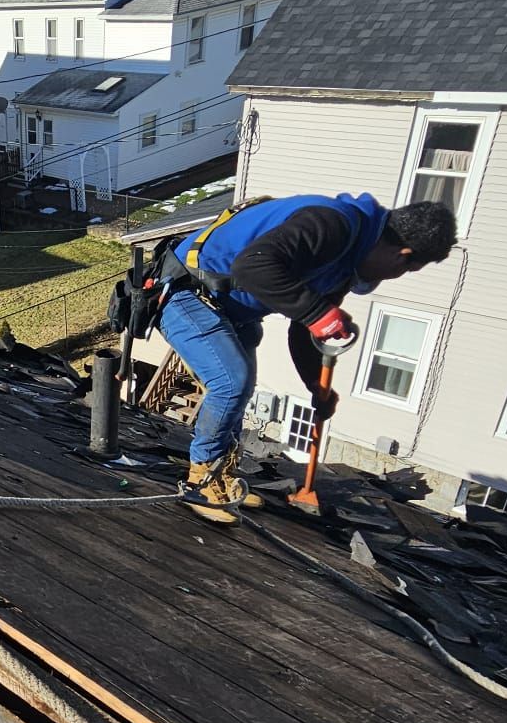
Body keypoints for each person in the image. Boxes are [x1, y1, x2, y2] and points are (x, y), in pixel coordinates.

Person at [158, 193, 457, 517]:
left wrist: (316, 385)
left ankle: (221, 472)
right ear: (402, 257)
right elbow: (252, 267)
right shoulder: (331, 226)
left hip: (225, 307)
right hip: (184, 291)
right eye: (404, 271)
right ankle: (201, 482)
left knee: (240, 388)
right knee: (233, 383)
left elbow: (304, 328)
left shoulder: (348, 260)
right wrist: (319, 313)